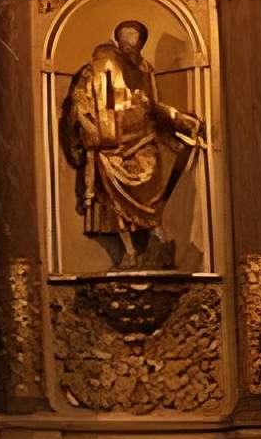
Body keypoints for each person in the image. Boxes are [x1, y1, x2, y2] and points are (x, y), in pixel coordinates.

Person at [58, 19, 205, 269]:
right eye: (125, 34)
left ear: (142, 41)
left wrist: (179, 120)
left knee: (155, 187)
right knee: (113, 206)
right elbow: (80, 99)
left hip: (143, 140)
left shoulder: (146, 70)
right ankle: (129, 252)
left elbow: (153, 106)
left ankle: (157, 243)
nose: (130, 39)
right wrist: (87, 124)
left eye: (135, 35)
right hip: (111, 146)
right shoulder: (99, 67)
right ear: (117, 38)